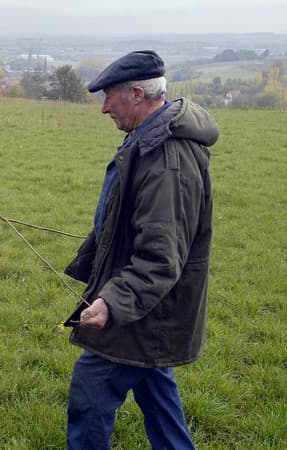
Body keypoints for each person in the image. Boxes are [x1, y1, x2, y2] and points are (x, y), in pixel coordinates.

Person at [62, 50, 219, 449]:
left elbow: (160, 257)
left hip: (146, 310)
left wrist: (112, 303)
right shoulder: (147, 139)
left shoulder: (168, 160)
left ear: (136, 94)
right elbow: (137, 224)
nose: (103, 108)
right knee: (154, 387)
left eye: (109, 96)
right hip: (152, 309)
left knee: (91, 389)